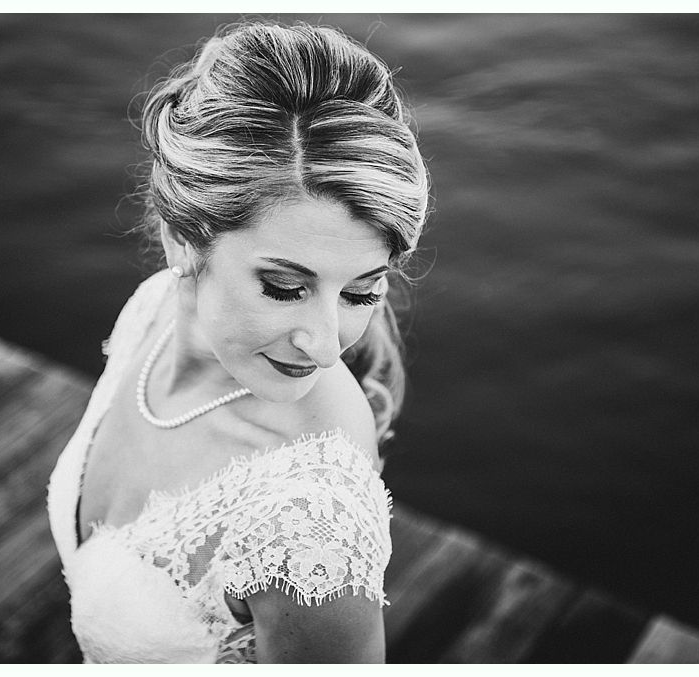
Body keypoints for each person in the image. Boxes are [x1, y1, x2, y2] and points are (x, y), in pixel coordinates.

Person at [47, 21, 429, 663]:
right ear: (181, 241)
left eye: (363, 291)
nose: (327, 345)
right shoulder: (152, 308)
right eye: (284, 287)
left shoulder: (308, 521)